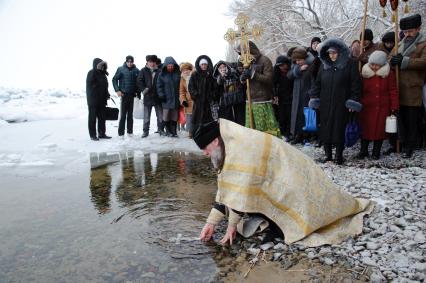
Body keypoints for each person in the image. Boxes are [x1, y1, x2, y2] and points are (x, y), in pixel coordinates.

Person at [194, 119, 373, 246]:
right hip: (278, 179)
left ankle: (277, 227)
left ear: (215, 141)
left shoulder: (241, 150)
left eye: (205, 148)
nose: (205, 153)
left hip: (295, 182)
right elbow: (230, 191)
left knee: (289, 223)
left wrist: (231, 226)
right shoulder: (228, 145)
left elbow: (242, 192)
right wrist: (211, 223)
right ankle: (274, 224)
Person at [309, 38, 362, 165]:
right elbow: (317, 84)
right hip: (325, 103)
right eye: (329, 53)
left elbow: (356, 84)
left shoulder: (349, 65)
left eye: (334, 53)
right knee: (326, 129)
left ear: (340, 53)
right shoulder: (324, 66)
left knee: (339, 128)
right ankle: (328, 155)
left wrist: (353, 100)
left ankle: (339, 155)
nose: (331, 55)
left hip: (341, 103)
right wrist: (314, 98)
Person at [390, 14, 426, 158]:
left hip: (412, 88)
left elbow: (424, 62)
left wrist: (404, 61)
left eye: (410, 31)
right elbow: (390, 58)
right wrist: (392, 62)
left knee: (411, 119)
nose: (407, 34)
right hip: (398, 87)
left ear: (418, 29)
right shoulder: (399, 43)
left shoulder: (423, 43)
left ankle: (411, 146)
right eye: (405, 32)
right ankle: (399, 143)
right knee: (400, 118)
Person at [358, 51, 399, 160]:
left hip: (382, 107)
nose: (374, 67)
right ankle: (363, 150)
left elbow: (393, 91)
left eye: (377, 65)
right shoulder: (364, 74)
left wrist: (394, 106)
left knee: (379, 131)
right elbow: (359, 90)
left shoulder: (389, 74)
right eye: (372, 64)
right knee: (365, 130)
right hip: (366, 106)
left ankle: (376, 152)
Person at [237, 41, 281, 137]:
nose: (243, 56)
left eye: (245, 53)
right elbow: (244, 81)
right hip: (249, 101)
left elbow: (269, 79)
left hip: (262, 101)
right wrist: (243, 78)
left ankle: (270, 147)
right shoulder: (245, 63)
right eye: (241, 54)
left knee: (265, 128)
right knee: (251, 129)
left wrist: (253, 74)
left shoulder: (265, 60)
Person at [287, 47, 317, 144]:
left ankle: (306, 136)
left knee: (305, 116)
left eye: (299, 60)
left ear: (304, 58)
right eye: (296, 60)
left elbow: (314, 81)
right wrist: (299, 69)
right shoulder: (296, 65)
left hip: (306, 94)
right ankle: (297, 134)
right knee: (297, 116)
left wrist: (312, 94)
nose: (298, 62)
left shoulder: (312, 65)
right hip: (297, 94)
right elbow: (289, 75)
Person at [188, 55, 218, 134]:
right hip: (198, 101)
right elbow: (191, 87)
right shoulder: (195, 75)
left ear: (207, 65)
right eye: (202, 64)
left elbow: (215, 87)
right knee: (196, 117)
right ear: (199, 65)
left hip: (208, 101)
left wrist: (212, 96)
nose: (204, 66)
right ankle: (194, 133)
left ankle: (207, 134)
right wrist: (196, 95)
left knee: (208, 118)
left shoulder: (211, 75)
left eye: (205, 64)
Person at [112, 55, 140, 137]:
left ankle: (130, 132)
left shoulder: (136, 70)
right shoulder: (121, 69)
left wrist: (138, 93)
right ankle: (121, 133)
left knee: (130, 115)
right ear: (126, 61)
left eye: (131, 62)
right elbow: (114, 79)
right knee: (123, 114)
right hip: (124, 95)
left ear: (133, 62)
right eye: (128, 61)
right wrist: (117, 90)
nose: (130, 63)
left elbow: (138, 83)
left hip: (132, 95)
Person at [137, 55, 164, 138]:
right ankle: (145, 132)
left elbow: (163, 83)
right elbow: (139, 81)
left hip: (157, 98)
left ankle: (161, 130)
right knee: (146, 117)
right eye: (150, 62)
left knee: (160, 117)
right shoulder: (143, 70)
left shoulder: (159, 71)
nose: (152, 64)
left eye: (153, 62)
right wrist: (144, 90)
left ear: (155, 62)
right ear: (147, 62)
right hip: (148, 97)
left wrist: (161, 93)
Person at [86, 58, 111, 141]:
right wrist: (97, 86)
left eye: (102, 65)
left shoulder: (103, 74)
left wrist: (107, 94)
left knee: (102, 118)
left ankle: (102, 133)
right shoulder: (91, 73)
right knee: (92, 118)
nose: (102, 66)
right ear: (96, 65)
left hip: (102, 100)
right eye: (100, 65)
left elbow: (105, 86)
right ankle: (93, 135)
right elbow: (90, 84)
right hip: (93, 100)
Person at [214, 60, 245, 126]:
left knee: (239, 116)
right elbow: (218, 87)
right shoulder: (218, 77)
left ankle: (240, 127)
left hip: (236, 98)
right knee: (228, 117)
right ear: (218, 69)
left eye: (223, 66)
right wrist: (222, 77)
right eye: (220, 67)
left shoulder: (233, 73)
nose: (223, 68)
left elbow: (239, 82)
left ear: (226, 66)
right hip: (226, 100)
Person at [157, 56, 181, 137]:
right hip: (166, 99)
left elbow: (181, 86)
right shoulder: (162, 75)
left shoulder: (178, 74)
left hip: (176, 99)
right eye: (169, 66)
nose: (170, 67)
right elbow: (159, 86)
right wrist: (161, 95)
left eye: (172, 66)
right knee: (166, 116)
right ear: (166, 66)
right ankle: (167, 131)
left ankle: (174, 132)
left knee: (175, 116)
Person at [273, 55, 293, 139]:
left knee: (289, 116)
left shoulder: (291, 70)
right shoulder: (277, 72)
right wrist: (275, 95)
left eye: (283, 65)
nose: (282, 67)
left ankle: (289, 133)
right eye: (280, 66)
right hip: (281, 97)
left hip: (290, 97)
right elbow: (274, 84)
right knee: (281, 117)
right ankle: (283, 133)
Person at [179, 62, 195, 138]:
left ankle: (198, 133)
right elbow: (182, 92)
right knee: (189, 119)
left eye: (187, 69)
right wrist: (183, 100)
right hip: (188, 102)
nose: (186, 71)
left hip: (197, 101)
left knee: (198, 118)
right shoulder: (182, 79)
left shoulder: (195, 76)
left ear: (190, 69)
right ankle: (190, 133)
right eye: (184, 70)